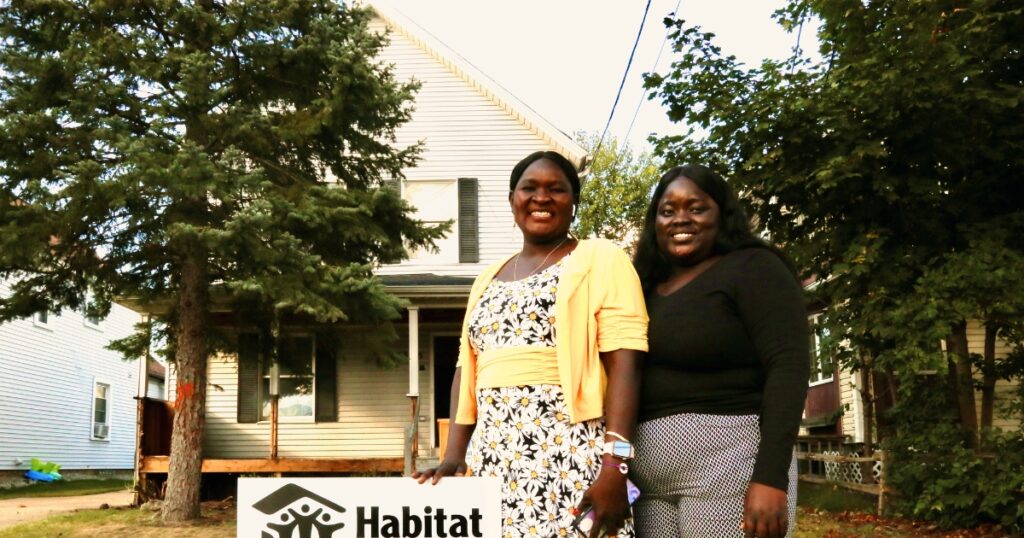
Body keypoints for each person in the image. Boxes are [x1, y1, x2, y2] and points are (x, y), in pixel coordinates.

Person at [414, 150, 648, 538]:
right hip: (492, 461)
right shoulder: (488, 276)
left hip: (568, 453)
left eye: (556, 189)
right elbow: (466, 371)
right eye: (530, 188)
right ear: (512, 200)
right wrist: (454, 456)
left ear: (574, 203)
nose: (542, 197)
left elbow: (627, 364)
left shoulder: (600, 258)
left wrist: (615, 466)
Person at [629, 164, 809, 538]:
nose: (681, 219)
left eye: (696, 208)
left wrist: (771, 477)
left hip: (730, 465)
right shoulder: (642, 286)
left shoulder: (754, 267)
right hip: (648, 485)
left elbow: (788, 368)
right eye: (668, 210)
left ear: (722, 214)